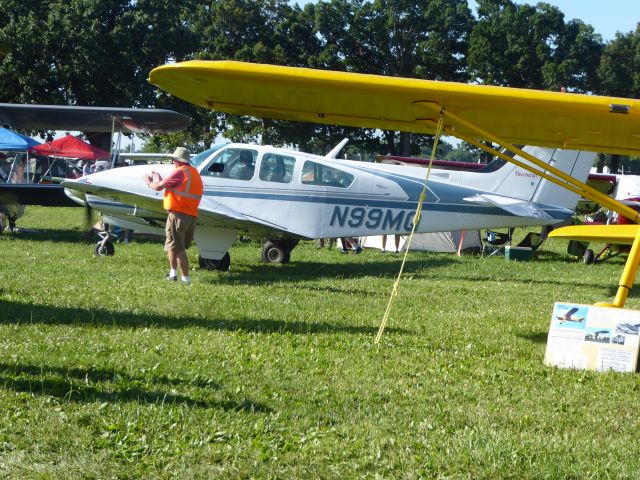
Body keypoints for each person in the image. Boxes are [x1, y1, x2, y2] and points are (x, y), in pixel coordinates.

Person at [144, 147, 203, 284]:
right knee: (172, 246)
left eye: (173, 159)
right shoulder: (193, 173)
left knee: (178, 248)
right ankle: (173, 274)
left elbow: (158, 187)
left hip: (177, 215)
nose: (172, 161)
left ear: (177, 160)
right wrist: (160, 180)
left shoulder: (179, 171)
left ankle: (186, 278)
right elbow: (176, 187)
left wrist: (148, 181)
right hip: (191, 216)